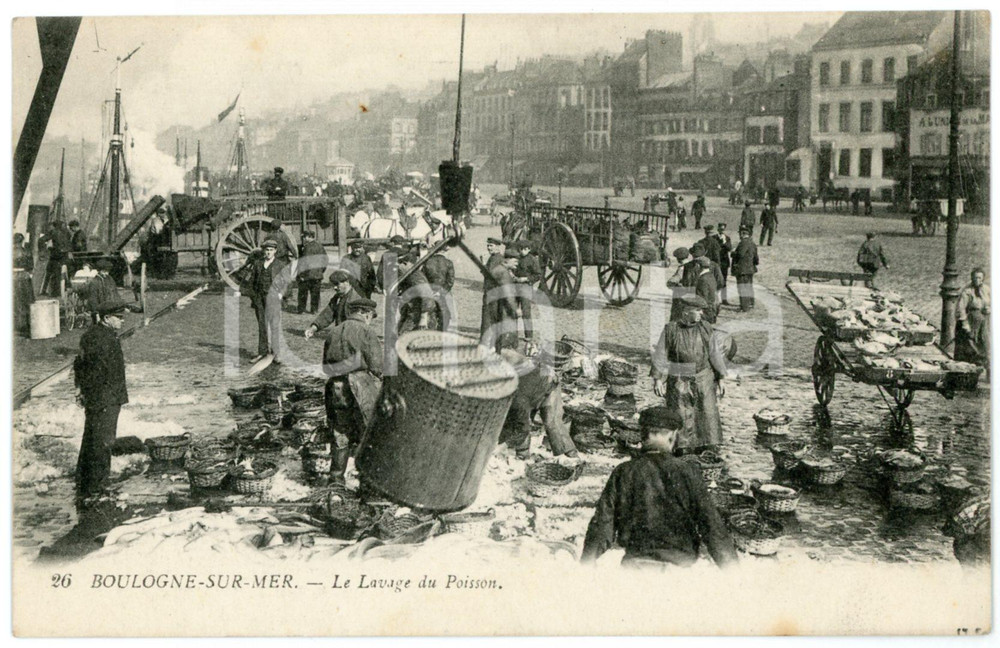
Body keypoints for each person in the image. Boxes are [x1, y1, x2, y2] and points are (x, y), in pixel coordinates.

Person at [581, 405, 737, 568]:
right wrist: (733, 572)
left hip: (636, 565)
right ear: (673, 435)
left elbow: (602, 525)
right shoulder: (688, 472)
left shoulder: (623, 472)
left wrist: (585, 563)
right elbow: (712, 526)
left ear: (643, 435)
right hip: (679, 567)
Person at [651, 295, 728, 455]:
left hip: (703, 377)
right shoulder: (671, 330)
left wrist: (721, 377)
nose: (701, 314)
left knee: (707, 412)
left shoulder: (706, 328)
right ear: (686, 312)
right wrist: (658, 379)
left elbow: (714, 354)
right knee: (680, 412)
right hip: (679, 377)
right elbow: (661, 354)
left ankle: (708, 445)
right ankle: (682, 447)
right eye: (698, 310)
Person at [321, 298, 383, 484]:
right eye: (371, 315)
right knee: (368, 430)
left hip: (336, 386)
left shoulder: (333, 331)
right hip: (359, 383)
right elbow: (376, 365)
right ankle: (369, 480)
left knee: (341, 431)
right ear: (365, 313)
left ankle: (336, 479)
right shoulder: (366, 331)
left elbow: (325, 367)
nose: (370, 319)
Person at [73, 298, 129, 502]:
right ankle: (97, 487)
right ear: (107, 318)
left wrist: (81, 390)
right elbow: (99, 372)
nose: (122, 321)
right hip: (106, 398)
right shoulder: (106, 340)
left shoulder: (91, 335)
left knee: (90, 438)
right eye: (119, 317)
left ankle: (83, 478)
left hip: (96, 397)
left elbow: (78, 364)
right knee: (103, 442)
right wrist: (108, 396)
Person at [499, 347, 578, 460]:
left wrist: (502, 446)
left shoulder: (518, 398)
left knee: (551, 421)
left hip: (547, 384)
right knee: (515, 418)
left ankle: (570, 454)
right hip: (532, 384)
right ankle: (523, 453)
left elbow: (523, 427)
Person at [242, 238, 287, 361]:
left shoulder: (280, 265)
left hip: (273, 299)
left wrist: (281, 294)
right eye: (266, 250)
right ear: (264, 251)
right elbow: (251, 281)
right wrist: (251, 295)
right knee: (262, 325)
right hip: (259, 298)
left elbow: (287, 282)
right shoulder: (258, 263)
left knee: (274, 326)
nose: (268, 252)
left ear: (275, 251)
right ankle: (262, 352)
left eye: (271, 250)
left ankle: (275, 353)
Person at [480, 248, 520, 352]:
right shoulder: (503, 273)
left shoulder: (499, 269)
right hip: (495, 304)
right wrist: (515, 309)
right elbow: (508, 294)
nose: (517, 264)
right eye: (515, 261)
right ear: (507, 260)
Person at [305, 269, 365, 338]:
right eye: (333, 285)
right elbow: (327, 315)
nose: (335, 287)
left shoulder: (356, 299)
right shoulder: (337, 297)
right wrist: (313, 328)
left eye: (337, 284)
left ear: (347, 282)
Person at [955, 268, 990, 372]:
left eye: (979, 277)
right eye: (975, 277)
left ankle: (990, 370)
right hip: (971, 320)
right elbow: (961, 308)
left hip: (984, 320)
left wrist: (990, 308)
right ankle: (970, 370)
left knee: (986, 344)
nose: (977, 280)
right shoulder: (967, 291)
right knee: (970, 345)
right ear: (971, 278)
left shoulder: (987, 289)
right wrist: (965, 323)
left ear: (983, 278)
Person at [395, 249, 435, 334]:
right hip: (412, 311)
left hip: (418, 314)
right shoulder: (410, 275)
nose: (397, 268)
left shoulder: (415, 277)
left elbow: (427, 296)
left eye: (398, 265)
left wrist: (423, 318)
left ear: (406, 264)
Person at [422, 241, 456, 331]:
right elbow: (450, 281)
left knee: (431, 313)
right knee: (444, 314)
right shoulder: (448, 263)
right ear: (444, 251)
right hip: (443, 293)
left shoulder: (427, 262)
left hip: (429, 292)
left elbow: (422, 279)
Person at [512, 241, 541, 339]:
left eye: (525, 249)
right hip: (515, 287)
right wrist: (513, 276)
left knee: (526, 312)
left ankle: (528, 335)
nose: (522, 251)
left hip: (525, 287)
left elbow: (538, 275)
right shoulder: (516, 258)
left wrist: (526, 279)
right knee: (513, 310)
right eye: (520, 249)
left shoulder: (532, 260)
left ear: (529, 249)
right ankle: (513, 334)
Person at [296, 230, 327, 314]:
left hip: (307, 275)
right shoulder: (320, 246)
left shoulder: (307, 248)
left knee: (303, 293)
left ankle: (301, 309)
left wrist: (301, 275)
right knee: (315, 293)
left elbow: (305, 262)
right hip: (317, 275)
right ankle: (314, 310)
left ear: (309, 237)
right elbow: (325, 259)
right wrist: (321, 271)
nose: (304, 239)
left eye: (305, 237)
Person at [40, 220, 71, 296]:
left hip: (55, 255)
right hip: (65, 255)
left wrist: (42, 251)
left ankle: (46, 290)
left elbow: (41, 240)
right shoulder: (67, 232)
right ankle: (64, 289)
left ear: (55, 226)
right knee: (63, 273)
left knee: (50, 272)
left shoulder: (53, 232)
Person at [730, 228, 759, 311]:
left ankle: (744, 307)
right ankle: (750, 303)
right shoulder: (752, 243)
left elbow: (740, 254)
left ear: (742, 234)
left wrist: (733, 253)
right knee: (749, 286)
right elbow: (756, 258)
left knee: (742, 287)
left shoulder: (743, 243)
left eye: (740, 234)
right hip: (750, 269)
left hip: (742, 269)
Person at [667, 247, 696, 322]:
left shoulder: (682, 268)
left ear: (678, 258)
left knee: (676, 316)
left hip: (680, 294)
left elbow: (673, 281)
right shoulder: (692, 265)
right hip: (690, 293)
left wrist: (669, 284)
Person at [14, 233, 35, 335]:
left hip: (12, 277)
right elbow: (31, 265)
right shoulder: (26, 251)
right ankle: (27, 325)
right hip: (24, 276)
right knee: (26, 300)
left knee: (15, 301)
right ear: (22, 241)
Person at [693, 257, 719, 324]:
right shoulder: (711, 276)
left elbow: (702, 297)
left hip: (706, 311)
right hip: (712, 309)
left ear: (698, 266)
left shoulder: (702, 279)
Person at [715, 223, 733, 305]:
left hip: (724, 262)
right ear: (718, 229)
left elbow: (729, 248)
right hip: (716, 262)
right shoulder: (714, 238)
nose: (722, 231)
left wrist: (725, 242)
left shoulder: (727, 238)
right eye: (720, 229)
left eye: (723, 230)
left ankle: (724, 299)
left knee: (724, 281)